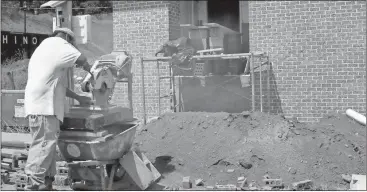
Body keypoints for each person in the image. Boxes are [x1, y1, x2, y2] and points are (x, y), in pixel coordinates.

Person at [23, 28, 93, 190]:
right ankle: (34, 184)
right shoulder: (60, 43)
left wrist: (79, 98)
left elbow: (58, 85)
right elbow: (81, 58)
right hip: (44, 106)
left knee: (47, 145)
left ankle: (46, 184)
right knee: (44, 144)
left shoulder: (44, 48)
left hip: (37, 104)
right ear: (68, 38)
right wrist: (93, 72)